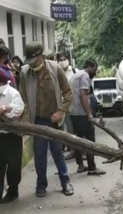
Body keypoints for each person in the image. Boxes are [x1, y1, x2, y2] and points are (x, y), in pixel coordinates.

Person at [19, 41, 74, 197]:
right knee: (40, 154)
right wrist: (26, 121)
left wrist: (60, 111)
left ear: (42, 56)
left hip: (54, 120)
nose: (31, 65)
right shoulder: (24, 73)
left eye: (34, 61)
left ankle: (65, 182)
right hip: (37, 121)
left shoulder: (55, 69)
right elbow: (24, 99)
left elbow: (68, 93)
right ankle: (41, 184)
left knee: (58, 152)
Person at [69, 59, 106, 175]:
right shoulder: (84, 76)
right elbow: (83, 95)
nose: (95, 72)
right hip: (82, 113)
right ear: (90, 67)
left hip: (73, 113)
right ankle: (92, 168)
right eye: (94, 69)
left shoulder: (75, 75)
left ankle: (80, 165)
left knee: (78, 140)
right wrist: (89, 113)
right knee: (90, 140)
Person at [0, 50, 25, 204]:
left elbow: (18, 109)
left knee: (14, 165)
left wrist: (6, 110)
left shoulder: (12, 93)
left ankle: (12, 191)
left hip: (11, 134)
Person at [57, 52, 76, 157]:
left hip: (71, 104)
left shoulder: (73, 71)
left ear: (68, 60)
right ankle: (61, 149)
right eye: (60, 59)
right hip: (59, 105)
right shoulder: (55, 71)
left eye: (64, 59)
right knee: (60, 128)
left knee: (71, 128)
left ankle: (73, 150)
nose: (63, 61)